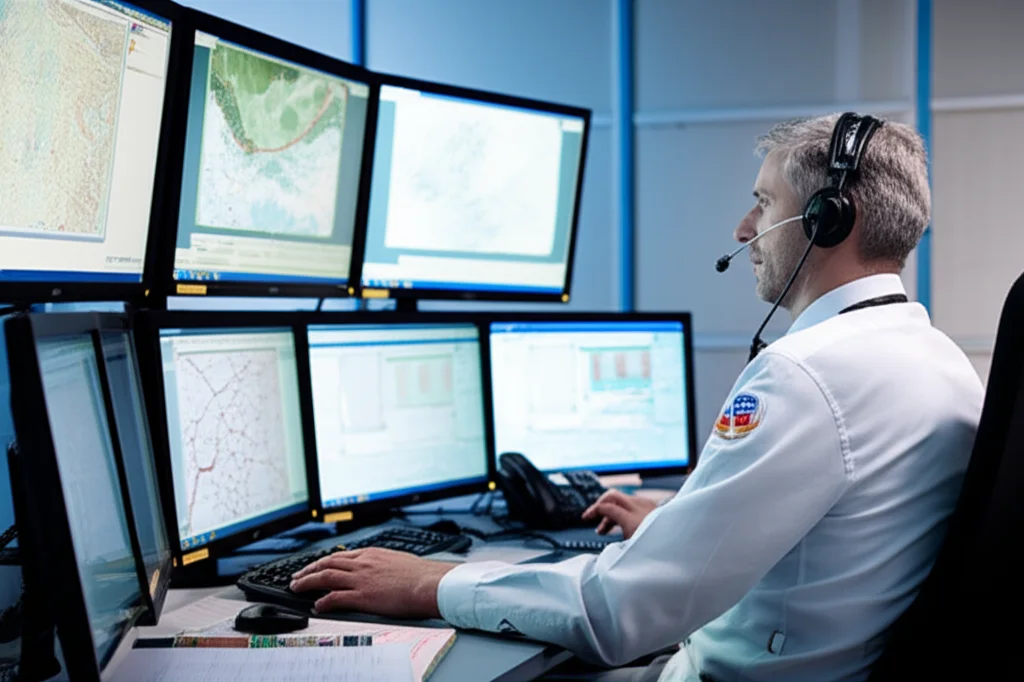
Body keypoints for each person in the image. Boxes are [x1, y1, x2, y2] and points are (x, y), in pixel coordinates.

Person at [289, 114, 984, 682]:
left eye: (764, 202)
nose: (744, 230)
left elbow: (619, 612)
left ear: (832, 218)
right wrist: (672, 526)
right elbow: (825, 545)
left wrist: (429, 584)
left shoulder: (806, 376)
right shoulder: (937, 358)